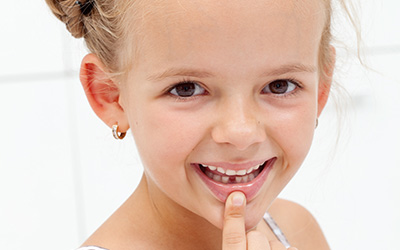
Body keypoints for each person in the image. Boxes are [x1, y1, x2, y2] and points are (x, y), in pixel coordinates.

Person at [45, 0, 342, 249]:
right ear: (110, 95)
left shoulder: (296, 229)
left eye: (280, 86)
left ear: (321, 87)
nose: (241, 133)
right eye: (186, 89)